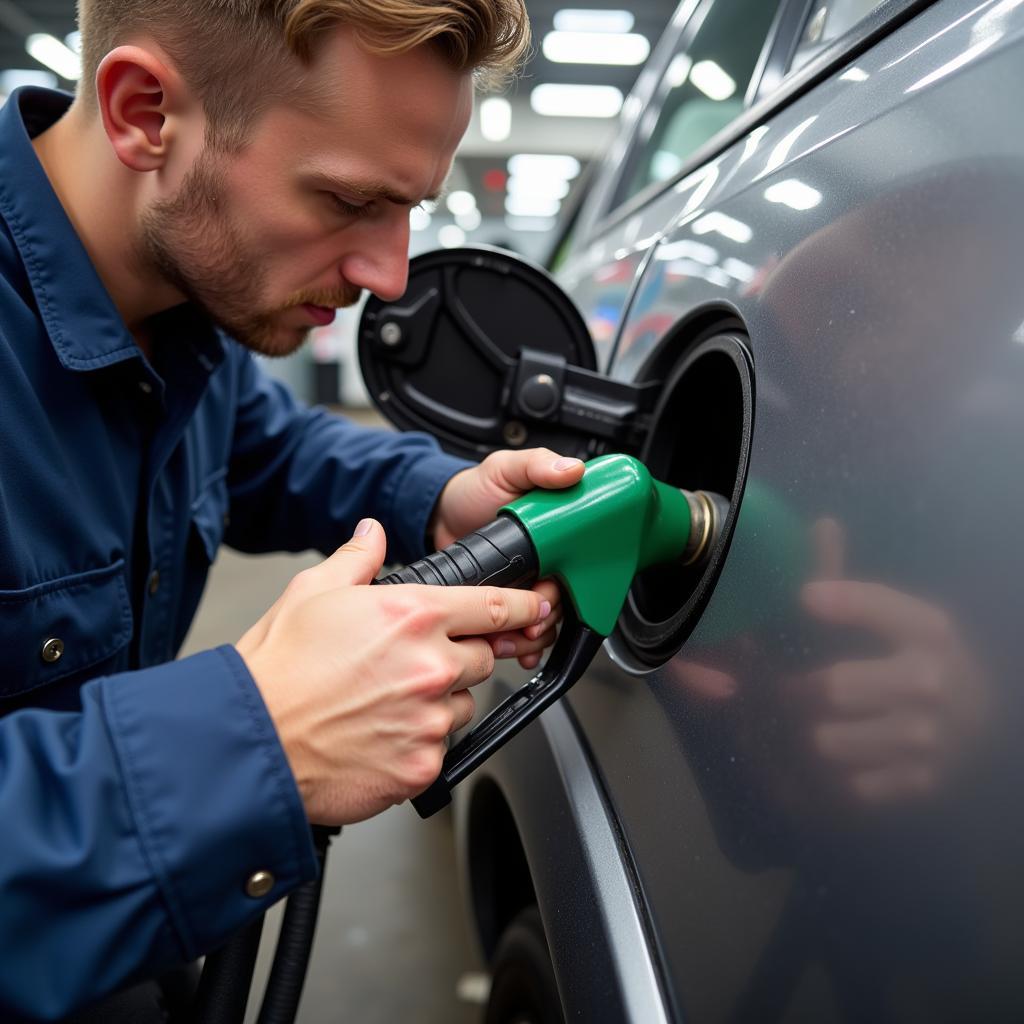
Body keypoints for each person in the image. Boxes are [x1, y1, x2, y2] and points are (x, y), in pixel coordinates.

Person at [0, 0, 586, 1018]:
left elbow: (268, 447)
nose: (389, 274)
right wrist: (256, 738)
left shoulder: (186, 305)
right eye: (347, 201)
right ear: (144, 114)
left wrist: (439, 497)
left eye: (409, 209)